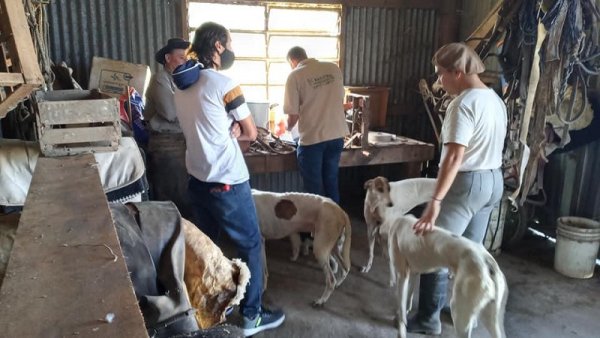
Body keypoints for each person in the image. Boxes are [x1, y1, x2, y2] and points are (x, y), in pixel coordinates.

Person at [171, 22, 285, 337]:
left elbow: (206, 125)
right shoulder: (224, 83)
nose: (231, 48)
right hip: (227, 182)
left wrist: (228, 128)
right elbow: (250, 132)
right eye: (229, 42)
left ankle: (209, 312)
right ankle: (252, 317)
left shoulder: (181, 86)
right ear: (219, 46)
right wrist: (237, 130)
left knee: (208, 248)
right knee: (249, 244)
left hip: (197, 179)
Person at [409, 42, 507, 335]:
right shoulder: (493, 99)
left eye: (441, 75)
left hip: (466, 185)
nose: (439, 81)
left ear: (458, 72)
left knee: (434, 251)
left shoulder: (462, 104)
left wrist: (436, 200)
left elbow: (453, 157)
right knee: (470, 253)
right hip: (492, 181)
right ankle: (466, 310)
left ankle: (428, 319)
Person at [283, 46, 348, 204]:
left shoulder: (295, 75)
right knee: (331, 181)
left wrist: (287, 129)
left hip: (313, 140)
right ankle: (335, 226)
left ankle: (316, 227)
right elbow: (339, 100)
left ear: (292, 61)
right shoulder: (333, 68)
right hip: (336, 136)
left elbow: (293, 116)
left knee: (314, 189)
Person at [145, 38, 189, 133]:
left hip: (179, 136)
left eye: (187, 58)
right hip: (165, 139)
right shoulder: (160, 78)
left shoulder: (180, 80)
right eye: (182, 58)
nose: (186, 61)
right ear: (168, 58)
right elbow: (170, 113)